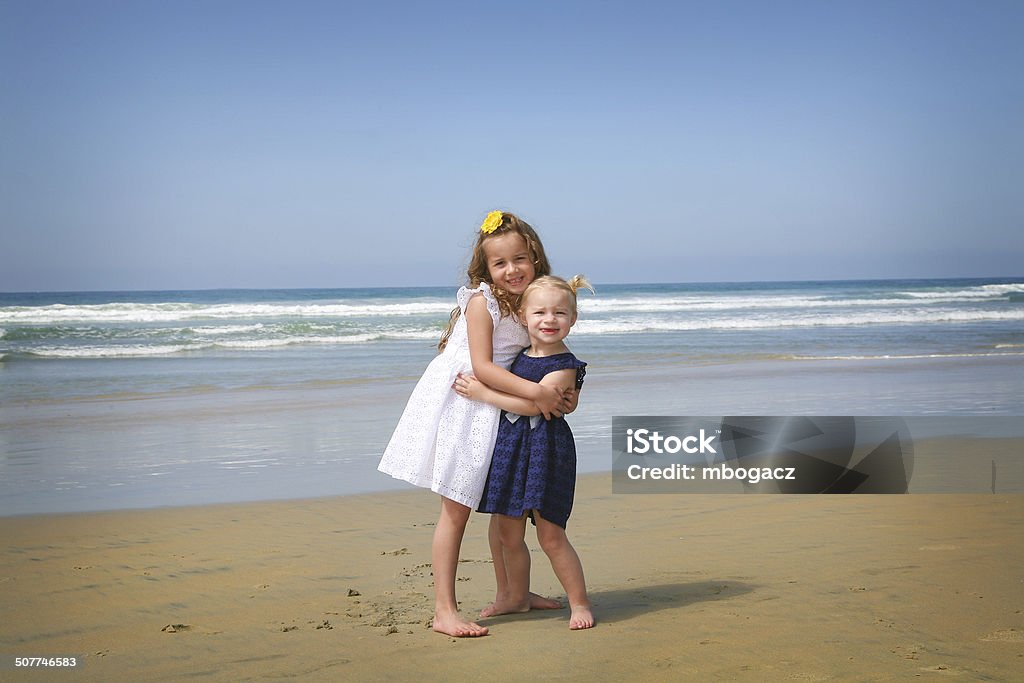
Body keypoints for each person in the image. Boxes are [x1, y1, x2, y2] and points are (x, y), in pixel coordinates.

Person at [378, 211, 570, 637]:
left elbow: (550, 350)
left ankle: (514, 595)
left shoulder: (531, 300)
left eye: (519, 259)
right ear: (486, 269)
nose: (511, 270)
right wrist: (537, 394)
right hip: (466, 405)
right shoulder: (483, 302)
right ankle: (444, 610)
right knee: (456, 511)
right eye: (499, 263)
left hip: (499, 407)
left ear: (534, 257)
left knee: (503, 509)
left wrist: (563, 386)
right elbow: (482, 367)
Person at [454, 275, 595, 630]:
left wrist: (483, 394)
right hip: (513, 449)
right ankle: (516, 596)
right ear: (523, 316)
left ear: (573, 319)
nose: (549, 320)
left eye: (560, 313)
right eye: (540, 312)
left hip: (547, 452)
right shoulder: (519, 355)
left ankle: (579, 604)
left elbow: (535, 407)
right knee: (507, 531)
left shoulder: (564, 365)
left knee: (550, 534)